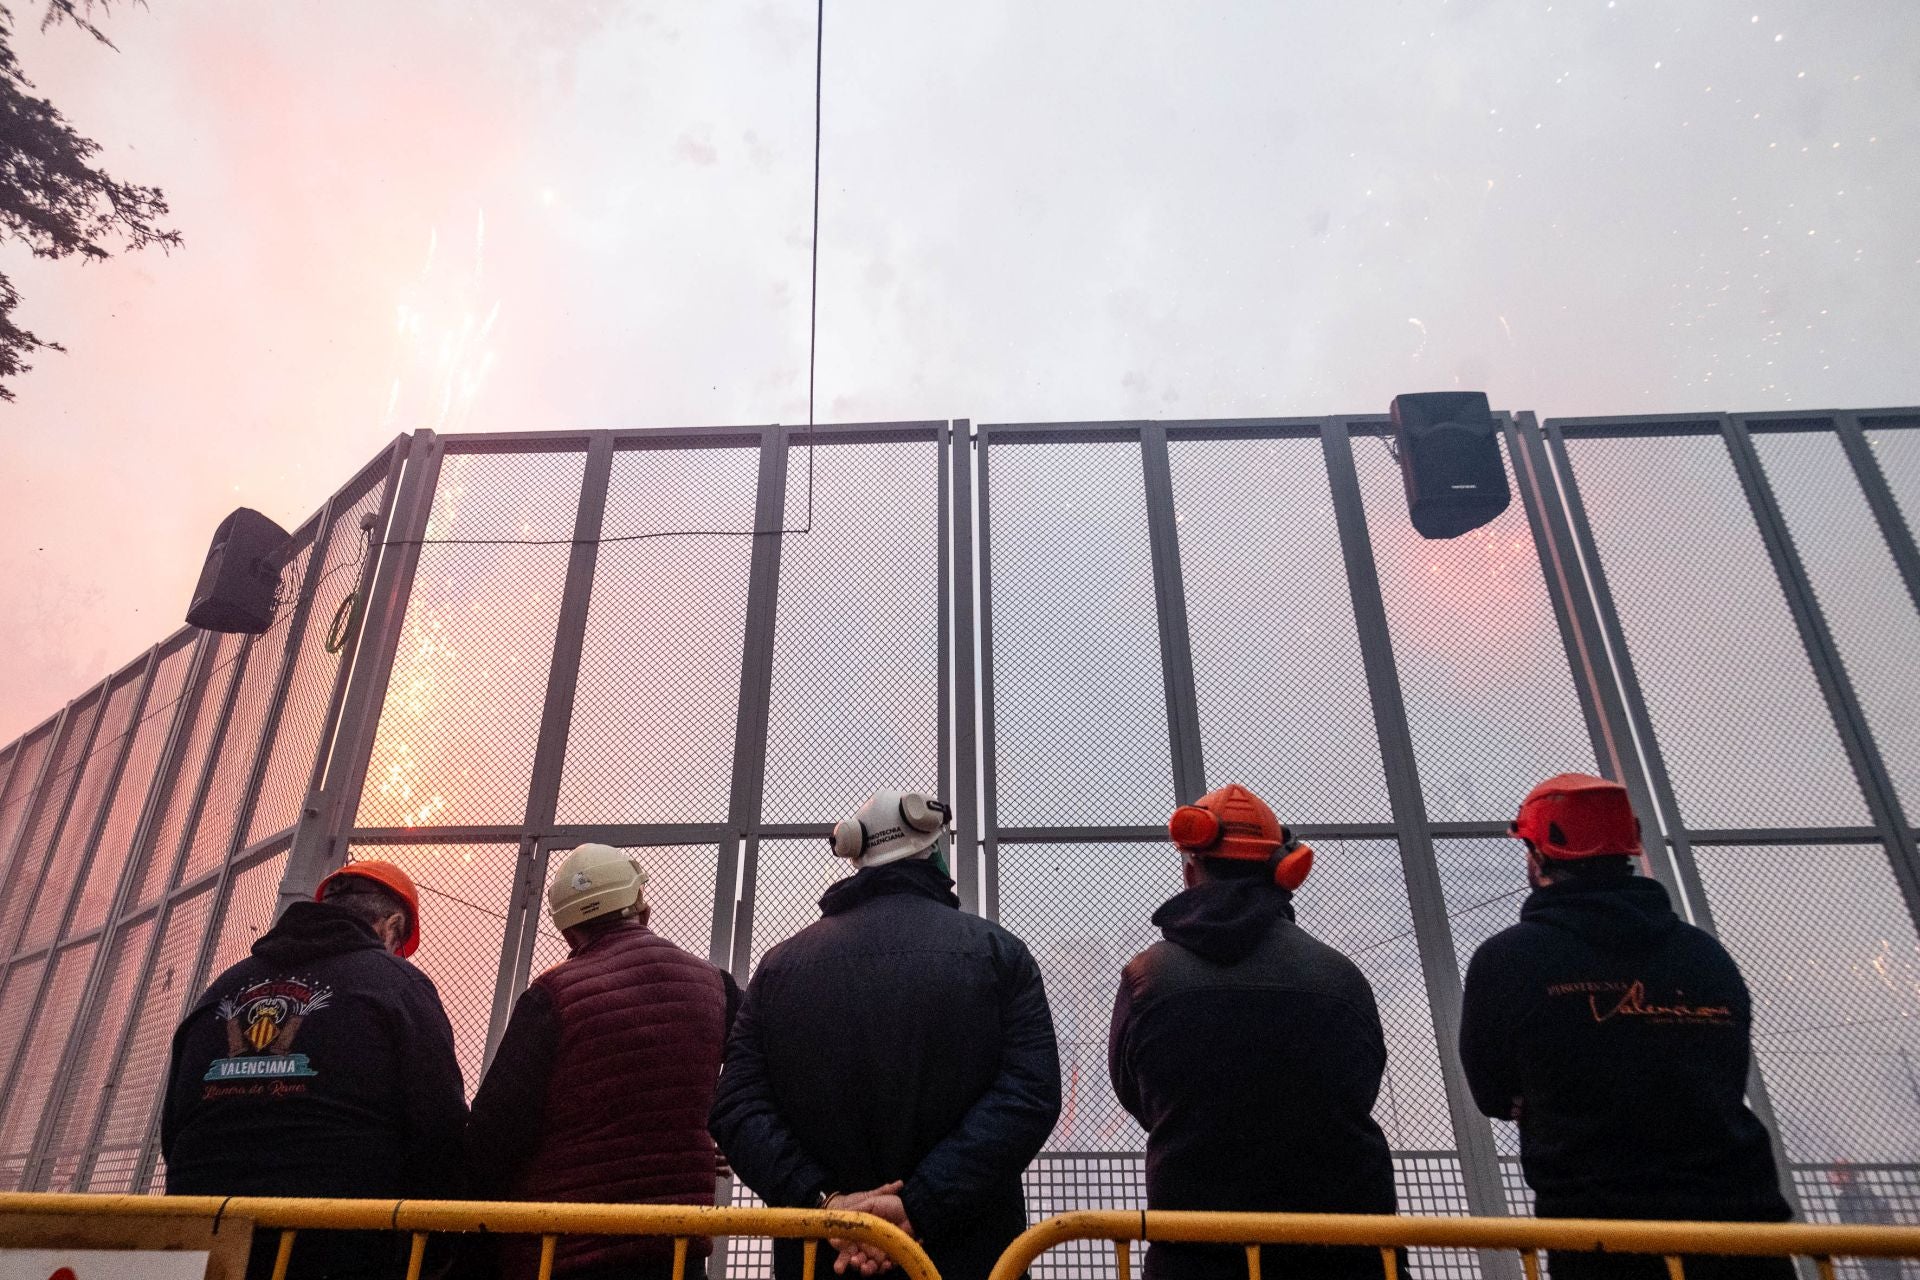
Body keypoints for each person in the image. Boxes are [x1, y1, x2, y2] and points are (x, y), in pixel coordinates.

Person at [709, 790, 1060, 1280]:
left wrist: (826, 1203)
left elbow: (737, 1106)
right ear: (934, 851)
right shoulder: (999, 954)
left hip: (820, 1260)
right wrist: (918, 1206)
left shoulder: (780, 967)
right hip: (968, 1254)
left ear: (857, 857)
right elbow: (1029, 1094)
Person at [1459, 773, 1794, 1280]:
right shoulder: (1703, 955)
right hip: (1742, 1233)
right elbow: (1726, 1070)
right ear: (1630, 844)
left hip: (1600, 1238)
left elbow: (1493, 1094)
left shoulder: (1510, 960)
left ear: (1538, 852)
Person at [1108, 783, 1398, 1280]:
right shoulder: (1340, 976)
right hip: (1344, 1257)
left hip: (1195, 1257)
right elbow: (1361, 1085)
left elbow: (1135, 1093)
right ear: (1284, 874)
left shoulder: (1149, 977)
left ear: (1189, 869)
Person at [162, 860, 467, 1280]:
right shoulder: (398, 984)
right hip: (336, 1248)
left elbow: (175, 1125)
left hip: (202, 1244)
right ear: (392, 926)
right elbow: (440, 1128)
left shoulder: (222, 989)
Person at [470, 844, 739, 1280]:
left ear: (569, 932)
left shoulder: (553, 996)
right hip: (674, 1253)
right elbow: (756, 1084)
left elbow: (493, 1136)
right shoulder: (715, 987)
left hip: (565, 1252)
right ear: (642, 909)